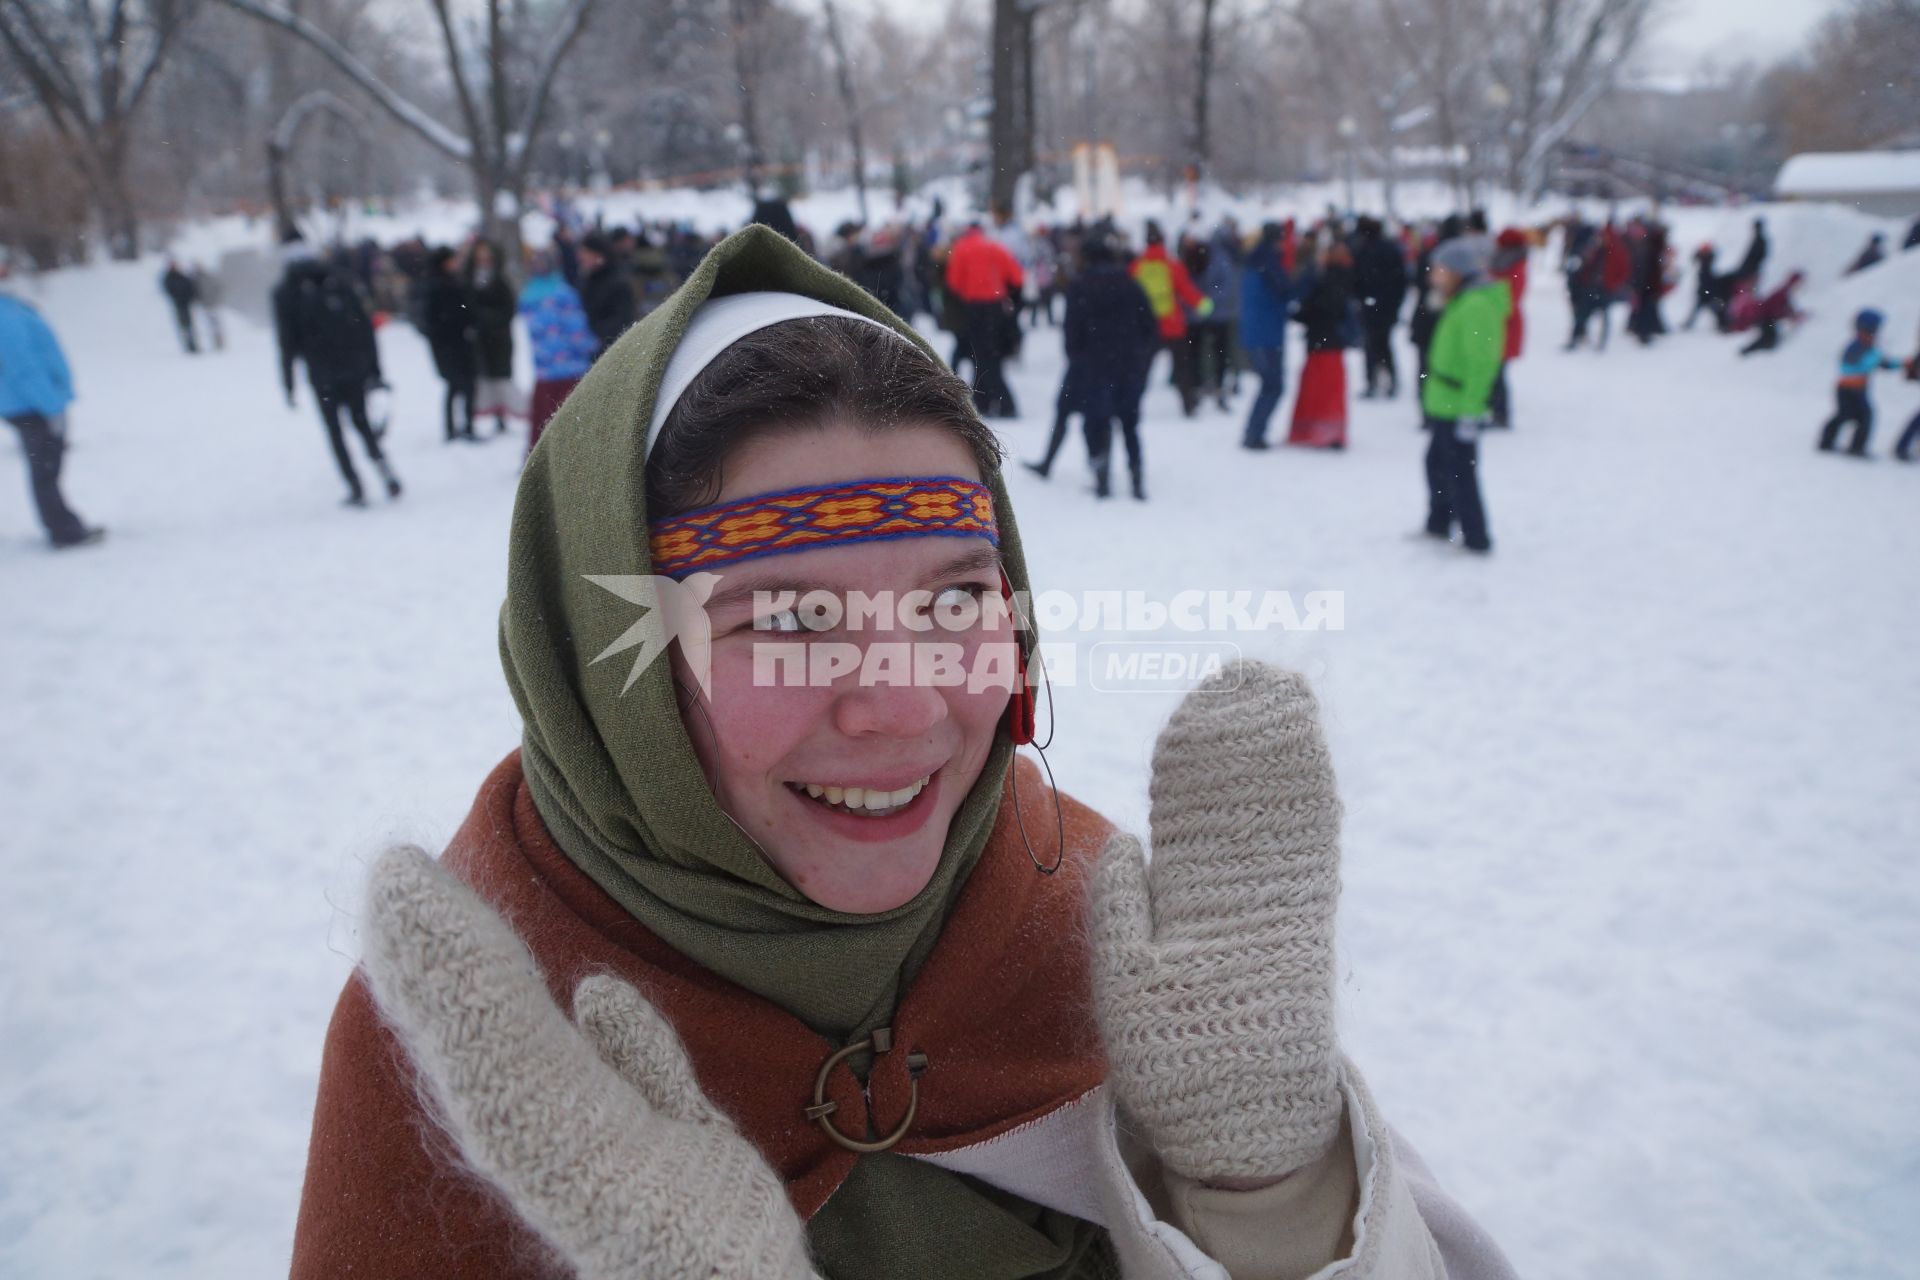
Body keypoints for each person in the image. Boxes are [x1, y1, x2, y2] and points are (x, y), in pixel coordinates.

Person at [288, 223, 1519, 1280]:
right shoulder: (474, 1038)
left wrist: (1274, 1197)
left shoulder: (1106, 921)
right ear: (601, 664)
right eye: (785, 618)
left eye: (952, 602)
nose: (902, 704)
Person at [1027, 233, 1159, 498]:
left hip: (1091, 366)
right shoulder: (1131, 284)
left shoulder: (1081, 285)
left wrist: (1077, 358)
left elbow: (1071, 330)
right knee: (1129, 422)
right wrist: (1140, 358)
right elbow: (1150, 326)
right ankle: (1136, 479)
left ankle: (1100, 476)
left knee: (1090, 419)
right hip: (1128, 365)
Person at [273, 237, 403, 506]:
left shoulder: (287, 292)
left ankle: (356, 486)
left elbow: (287, 342)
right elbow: (365, 328)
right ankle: (384, 471)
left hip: (323, 376)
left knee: (335, 431)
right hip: (353, 368)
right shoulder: (338, 280)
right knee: (362, 424)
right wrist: (374, 369)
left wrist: (288, 383)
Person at [1, 260, 104, 548]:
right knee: (45, 469)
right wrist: (50, 406)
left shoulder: (11, 306)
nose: (8, 273)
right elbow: (21, 366)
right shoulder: (5, 314)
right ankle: (63, 529)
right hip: (30, 405)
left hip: (29, 403)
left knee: (47, 468)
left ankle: (62, 524)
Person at [1420, 237, 1508, 554]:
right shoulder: (1461, 300)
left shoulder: (1476, 306)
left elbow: (1481, 365)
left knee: (1460, 473)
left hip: (1458, 405)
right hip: (1445, 402)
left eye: (1440, 270)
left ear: (1458, 272)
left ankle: (1476, 537)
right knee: (1437, 465)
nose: (1433, 276)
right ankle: (1439, 522)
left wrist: (1471, 411)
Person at [517, 248, 599, 456]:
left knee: (546, 417)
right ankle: (570, 455)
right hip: (569, 367)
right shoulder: (563, 293)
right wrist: (590, 346)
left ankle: (542, 457)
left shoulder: (528, 295)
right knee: (569, 417)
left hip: (545, 368)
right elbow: (576, 329)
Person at [943, 220, 1024, 419]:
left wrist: (969, 291)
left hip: (975, 308)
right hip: (996, 307)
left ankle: (995, 402)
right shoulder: (995, 246)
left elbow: (953, 282)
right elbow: (1017, 277)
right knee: (991, 355)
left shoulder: (961, 249)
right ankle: (988, 401)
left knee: (981, 356)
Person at [1131, 221, 1211, 417]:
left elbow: (1128, 296)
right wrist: (1204, 304)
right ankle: (1188, 405)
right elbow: (1186, 290)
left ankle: (1132, 404)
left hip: (1146, 327)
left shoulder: (1136, 267)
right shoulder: (1171, 265)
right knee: (1183, 368)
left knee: (1142, 370)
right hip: (1173, 325)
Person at [1287, 239, 1353, 449]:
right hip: (1331, 341)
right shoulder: (1342, 277)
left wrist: (1299, 314)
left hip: (1321, 341)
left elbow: (1317, 309)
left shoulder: (1325, 279)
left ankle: (1316, 431)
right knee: (1331, 389)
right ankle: (1330, 431)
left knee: (1317, 389)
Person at [1238, 221, 1299, 449]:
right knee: (1273, 385)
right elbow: (1287, 292)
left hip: (1254, 333)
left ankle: (1253, 431)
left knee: (1268, 384)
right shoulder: (1269, 262)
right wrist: (1309, 278)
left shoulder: (1253, 260)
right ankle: (1254, 433)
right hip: (1268, 334)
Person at [1817, 308, 1903, 458]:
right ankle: (1826, 442)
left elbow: (1883, 363)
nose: (1873, 336)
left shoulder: (1870, 348)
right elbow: (1849, 366)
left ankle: (1856, 447)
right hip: (1846, 389)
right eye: (1870, 332)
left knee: (1865, 417)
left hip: (1860, 389)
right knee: (1845, 415)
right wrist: (1873, 359)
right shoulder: (1854, 347)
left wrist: (1901, 364)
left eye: (1874, 332)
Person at [424, 246, 482, 443]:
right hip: (449, 346)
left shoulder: (454, 281)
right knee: (457, 385)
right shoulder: (435, 286)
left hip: (461, 343)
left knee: (465, 386)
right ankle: (454, 428)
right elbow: (433, 320)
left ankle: (466, 426)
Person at [468, 241, 524, 436]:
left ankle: (503, 414)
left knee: (501, 377)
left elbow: (508, 309)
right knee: (485, 378)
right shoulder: (470, 279)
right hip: (480, 340)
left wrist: (489, 318)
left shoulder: (500, 281)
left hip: (499, 338)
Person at [1352, 217, 1407, 399]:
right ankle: (1390, 380)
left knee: (1371, 344)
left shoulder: (1363, 250)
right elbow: (1401, 280)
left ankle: (1373, 382)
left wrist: (1359, 297)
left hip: (1371, 305)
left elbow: (1357, 279)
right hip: (1386, 305)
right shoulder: (1390, 249)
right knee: (1384, 344)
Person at [1487, 228, 1528, 428]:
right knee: (1494, 370)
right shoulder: (1503, 262)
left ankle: (1501, 414)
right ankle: (1495, 410)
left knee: (1498, 372)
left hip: (1505, 326)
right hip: (1498, 323)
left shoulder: (1514, 266)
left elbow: (1509, 298)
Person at [577, 232, 638, 356]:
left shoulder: (618, 283)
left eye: (586, 252)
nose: (581, 257)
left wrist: (596, 337)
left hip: (610, 353)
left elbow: (623, 321)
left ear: (599, 255)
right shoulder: (587, 281)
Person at [1738, 271, 1804, 356]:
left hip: (1764, 316)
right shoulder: (1783, 293)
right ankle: (1748, 350)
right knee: (1769, 338)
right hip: (1764, 316)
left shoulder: (1783, 292)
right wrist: (1792, 315)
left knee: (1769, 338)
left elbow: (1781, 310)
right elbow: (1779, 309)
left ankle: (1749, 350)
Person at [160, 260, 199, 354]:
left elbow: (191, 287)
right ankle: (187, 346)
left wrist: (190, 297)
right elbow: (168, 290)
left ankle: (193, 345)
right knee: (183, 325)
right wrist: (177, 297)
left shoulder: (182, 276)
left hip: (186, 303)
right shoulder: (169, 278)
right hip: (178, 304)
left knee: (190, 325)